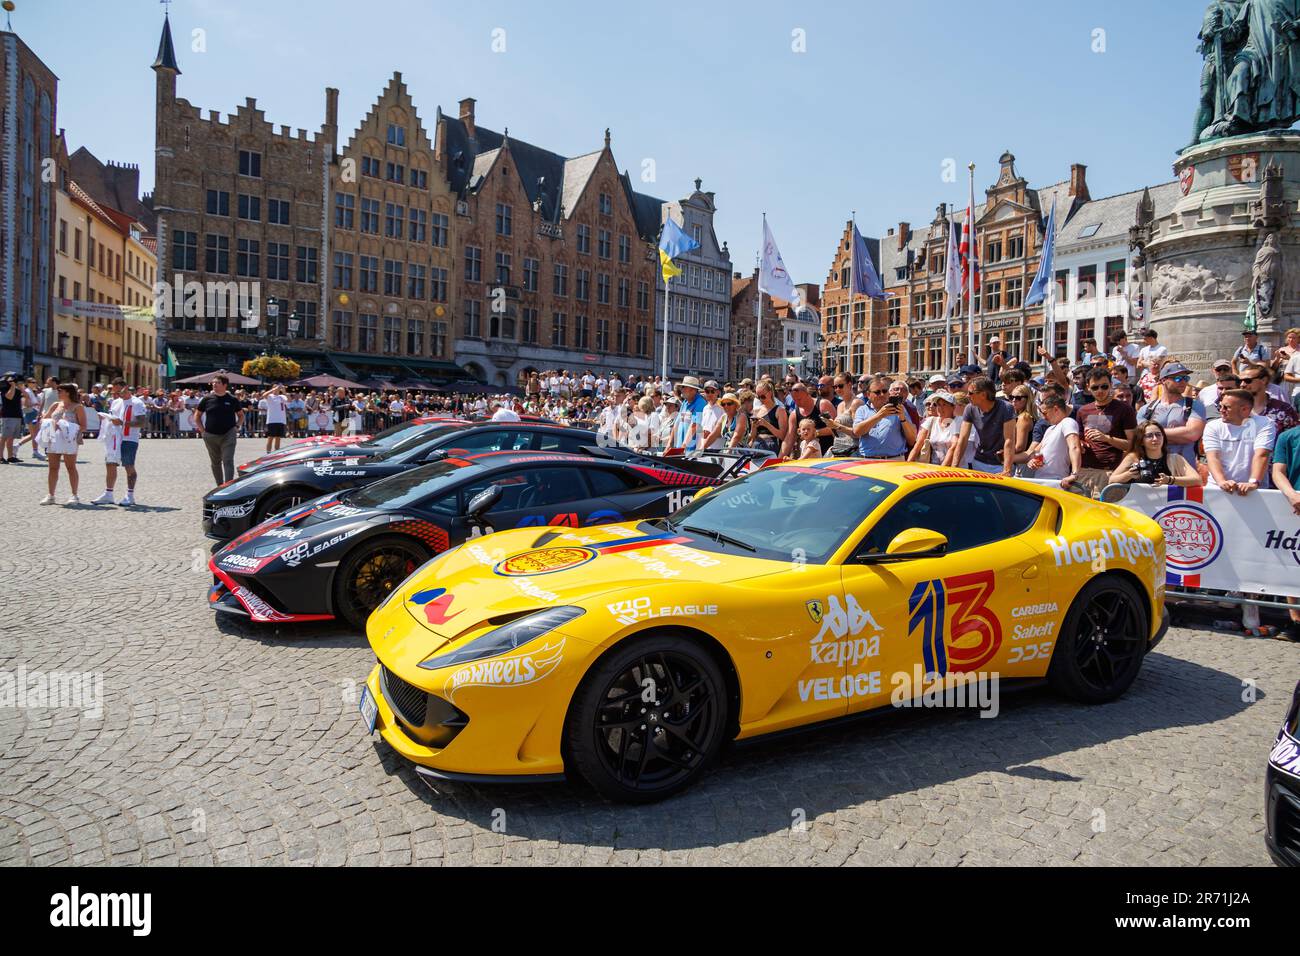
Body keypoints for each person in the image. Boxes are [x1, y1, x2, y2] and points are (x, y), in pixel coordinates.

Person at [1074, 367, 1137, 496]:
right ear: (1088, 387)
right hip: (1086, 472)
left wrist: (1107, 439)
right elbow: (1079, 438)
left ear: (1111, 385)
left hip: (1111, 473)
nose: (1100, 391)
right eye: (1095, 388)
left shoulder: (1124, 409)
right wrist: (1081, 444)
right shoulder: (1083, 410)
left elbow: (1133, 444)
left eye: (1104, 386)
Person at [1203, 388, 1275, 494]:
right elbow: (1213, 457)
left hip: (1255, 491)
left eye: (1226, 407)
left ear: (1245, 410)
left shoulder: (1265, 423)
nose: (1221, 410)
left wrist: (1253, 482)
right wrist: (1222, 482)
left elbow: (1262, 454)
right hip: (1218, 489)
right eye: (1220, 406)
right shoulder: (1212, 426)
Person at [1135, 361, 1206, 467]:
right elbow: (1142, 436)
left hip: (1185, 470)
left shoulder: (1195, 406)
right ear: (1163, 380)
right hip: (1154, 469)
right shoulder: (1146, 410)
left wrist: (1154, 433)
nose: (1183, 382)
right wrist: (1181, 435)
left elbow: (1192, 434)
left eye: (1186, 378)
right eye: (1178, 378)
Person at [1270, 423, 1300, 642]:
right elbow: (1278, 471)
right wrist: (1291, 495)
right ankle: (1296, 621)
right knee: (1293, 564)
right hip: (1294, 507)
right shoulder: (1288, 437)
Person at [948, 376, 1013, 474]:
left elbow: (1009, 440)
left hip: (1000, 465)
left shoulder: (1006, 408)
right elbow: (963, 439)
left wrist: (1006, 470)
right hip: (978, 462)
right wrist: (954, 466)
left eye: (970, 393)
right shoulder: (969, 408)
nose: (967, 396)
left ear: (983, 395)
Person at [1108, 421, 1203, 488]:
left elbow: (1197, 480)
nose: (1155, 439)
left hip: (1168, 510)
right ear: (1141, 441)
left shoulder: (1176, 458)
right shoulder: (1133, 457)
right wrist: (1129, 475)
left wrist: (1170, 480)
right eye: (1149, 436)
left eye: (1158, 434)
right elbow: (1112, 480)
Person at [37, 383, 87, 505]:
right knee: (52, 468)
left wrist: (67, 426)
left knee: (70, 467)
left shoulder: (78, 407)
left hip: (69, 440)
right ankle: (51, 495)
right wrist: (46, 422)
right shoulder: (55, 405)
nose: (58, 393)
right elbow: (45, 419)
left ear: (68, 392)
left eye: (60, 391)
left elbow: (84, 426)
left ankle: (74, 495)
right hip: (53, 439)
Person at [850, 374, 915, 460]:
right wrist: (879, 415)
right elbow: (857, 432)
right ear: (868, 394)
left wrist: (903, 419)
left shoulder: (899, 409)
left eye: (884, 391)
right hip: (868, 460)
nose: (882, 394)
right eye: (877, 392)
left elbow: (912, 440)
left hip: (894, 460)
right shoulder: (862, 410)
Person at [196, 374, 244, 487]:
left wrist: (237, 427)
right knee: (215, 462)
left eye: (217, 383)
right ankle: (219, 486)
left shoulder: (232, 399)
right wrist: (202, 431)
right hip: (210, 436)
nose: (214, 385)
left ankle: (228, 487)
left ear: (224, 385)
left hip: (228, 434)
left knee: (228, 460)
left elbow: (241, 415)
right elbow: (197, 416)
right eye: (213, 383)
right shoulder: (207, 399)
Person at [1025, 394, 1083, 487]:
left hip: (1056, 482)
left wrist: (1074, 474)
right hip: (1040, 482)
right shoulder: (1049, 429)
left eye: (1045, 413)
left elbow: (1074, 447)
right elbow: (1036, 453)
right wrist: (1032, 461)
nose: (1044, 417)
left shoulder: (1068, 422)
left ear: (1056, 409)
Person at [908, 391, 965, 466]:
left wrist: (942, 469)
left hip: (952, 469)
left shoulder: (959, 421)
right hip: (932, 468)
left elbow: (954, 447)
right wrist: (908, 464)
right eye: (938, 405)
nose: (940, 408)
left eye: (944, 405)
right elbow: (918, 445)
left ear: (953, 407)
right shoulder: (931, 421)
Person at [1240, 363, 1299, 436]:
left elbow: (1293, 438)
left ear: (1264, 380)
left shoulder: (1284, 409)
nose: (1242, 384)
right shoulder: (1235, 409)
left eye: (1247, 380)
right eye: (1240, 381)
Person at [786, 381, 834, 456]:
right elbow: (789, 439)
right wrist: (779, 458)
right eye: (794, 400)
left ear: (807, 394)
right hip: (808, 458)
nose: (797, 403)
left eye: (799, 399)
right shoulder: (794, 414)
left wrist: (813, 433)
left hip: (827, 454)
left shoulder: (823, 405)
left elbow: (835, 428)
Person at [747, 380, 787, 453]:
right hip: (757, 445)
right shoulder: (756, 410)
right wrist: (753, 426)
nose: (760, 399)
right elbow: (753, 436)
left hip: (771, 446)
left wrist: (766, 424)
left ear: (770, 393)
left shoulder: (780, 410)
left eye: (763, 396)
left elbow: (783, 435)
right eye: (758, 397)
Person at [260, 384, 289, 453]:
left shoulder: (282, 396)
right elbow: (263, 395)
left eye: (278, 388)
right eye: (275, 387)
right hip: (272, 420)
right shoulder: (270, 396)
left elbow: (289, 400)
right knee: (270, 437)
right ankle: (268, 452)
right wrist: (273, 389)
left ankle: (276, 453)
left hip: (281, 420)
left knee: (278, 438)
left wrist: (284, 391)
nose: (277, 388)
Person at [0, 373, 22, 463]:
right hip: (8, 416)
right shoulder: (4, 388)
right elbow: (9, 397)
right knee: (4, 437)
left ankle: (10, 456)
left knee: (11, 437)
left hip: (16, 415)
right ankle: (1, 457)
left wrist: (19, 387)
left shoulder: (17, 389)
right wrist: (12, 386)